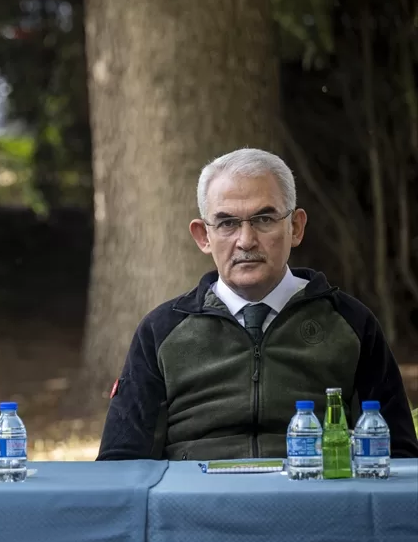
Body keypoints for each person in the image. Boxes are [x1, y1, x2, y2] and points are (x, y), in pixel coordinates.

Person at [99, 148, 418, 461]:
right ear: (203, 236)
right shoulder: (161, 332)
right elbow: (120, 463)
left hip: (313, 491)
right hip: (193, 494)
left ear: (295, 227)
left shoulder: (350, 324)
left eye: (264, 219)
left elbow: (399, 455)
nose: (246, 240)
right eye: (227, 223)